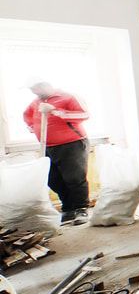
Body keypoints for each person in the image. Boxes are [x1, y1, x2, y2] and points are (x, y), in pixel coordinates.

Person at [22, 81, 90, 225]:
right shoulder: (35, 102)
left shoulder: (68, 96)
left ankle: (81, 209)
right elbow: (26, 115)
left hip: (72, 143)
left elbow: (85, 114)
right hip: (47, 146)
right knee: (53, 179)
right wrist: (32, 127)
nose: (34, 92)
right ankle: (69, 208)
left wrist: (55, 111)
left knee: (74, 178)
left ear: (46, 85)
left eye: (36, 88)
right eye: (32, 90)